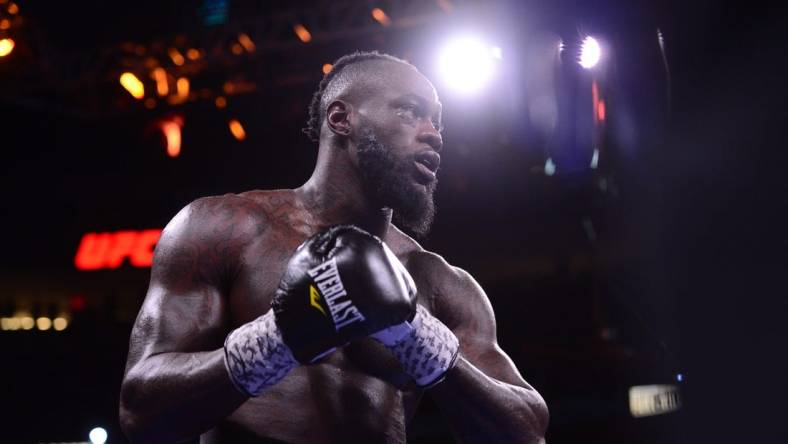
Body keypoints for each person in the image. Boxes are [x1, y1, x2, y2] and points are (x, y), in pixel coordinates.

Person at [119, 51, 548, 444]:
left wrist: (420, 340)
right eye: (411, 111)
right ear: (342, 119)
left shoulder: (439, 282)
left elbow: (528, 430)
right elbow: (140, 410)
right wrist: (278, 340)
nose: (433, 135)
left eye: (438, 122)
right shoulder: (226, 229)